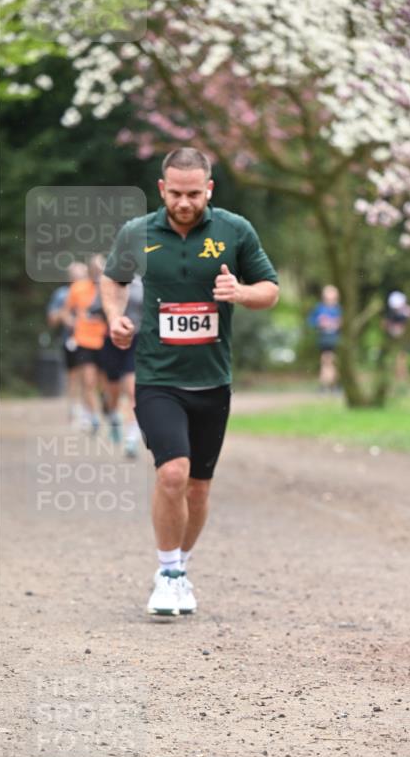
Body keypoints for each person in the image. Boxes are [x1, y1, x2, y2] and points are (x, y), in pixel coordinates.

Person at [100, 147, 279, 617]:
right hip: (158, 376)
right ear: (162, 189)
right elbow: (113, 280)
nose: (184, 202)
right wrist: (116, 318)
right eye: (176, 193)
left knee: (199, 487)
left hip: (212, 381)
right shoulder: (137, 233)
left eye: (194, 194)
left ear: (209, 189)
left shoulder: (234, 230)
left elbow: (270, 289)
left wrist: (239, 292)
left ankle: (182, 563)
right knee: (172, 472)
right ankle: (168, 574)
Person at [94, 274, 144, 456]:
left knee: (132, 390)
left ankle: (131, 438)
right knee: (113, 390)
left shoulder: (140, 283)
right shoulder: (107, 282)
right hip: (111, 341)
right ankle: (114, 417)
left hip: (135, 339)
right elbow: (94, 307)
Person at [65, 255, 107, 433]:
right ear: (89, 270)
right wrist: (73, 323)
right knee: (88, 381)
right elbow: (66, 313)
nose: (98, 273)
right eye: (95, 270)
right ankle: (94, 416)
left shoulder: (109, 287)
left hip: (106, 340)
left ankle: (107, 406)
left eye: (101, 270)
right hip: (84, 340)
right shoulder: (78, 288)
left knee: (105, 384)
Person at [46, 260, 87, 425]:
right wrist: (65, 316)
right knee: (73, 377)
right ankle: (75, 410)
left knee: (89, 376)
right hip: (70, 340)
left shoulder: (92, 292)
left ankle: (88, 411)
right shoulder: (62, 294)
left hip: (91, 339)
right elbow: (52, 319)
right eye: (74, 276)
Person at [307, 284, 342, 391]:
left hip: (336, 339)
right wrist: (320, 322)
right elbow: (311, 321)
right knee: (326, 360)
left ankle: (330, 384)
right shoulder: (319, 308)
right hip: (324, 339)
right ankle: (328, 385)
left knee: (331, 361)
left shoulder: (339, 309)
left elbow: (344, 323)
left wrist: (337, 323)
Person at [384, 290, 410, 382]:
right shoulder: (392, 313)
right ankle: (401, 379)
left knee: (402, 358)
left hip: (405, 339)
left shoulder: (408, 311)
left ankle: (402, 379)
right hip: (395, 339)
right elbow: (387, 325)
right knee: (400, 358)